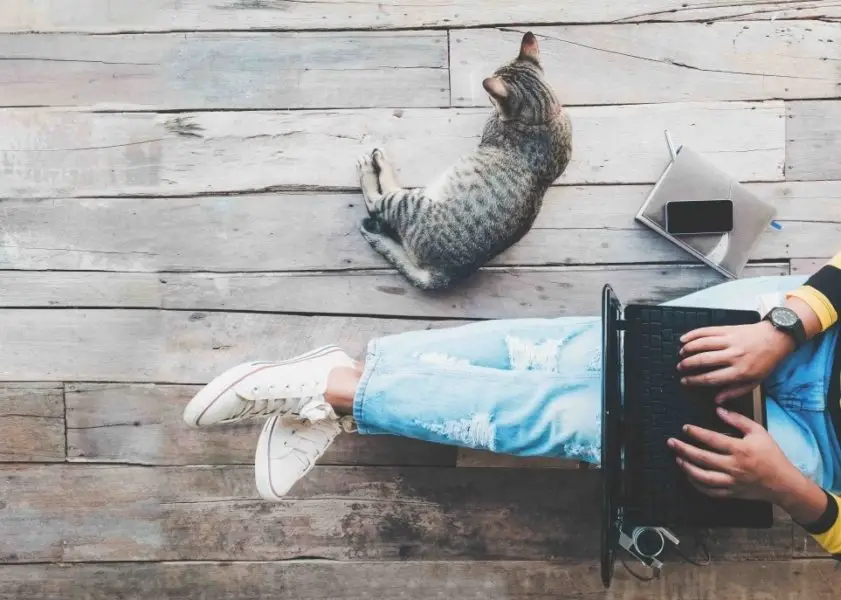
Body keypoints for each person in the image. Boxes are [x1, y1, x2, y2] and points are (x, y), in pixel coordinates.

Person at [183, 253, 841, 557]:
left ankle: (342, 389)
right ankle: (342, 390)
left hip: (809, 460)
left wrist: (785, 488)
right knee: (587, 358)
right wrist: (783, 327)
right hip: (815, 333)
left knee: (586, 423)